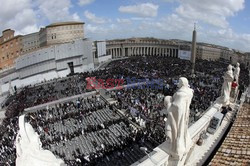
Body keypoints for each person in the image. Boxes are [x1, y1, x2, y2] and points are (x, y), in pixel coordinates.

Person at [164, 77, 193, 159]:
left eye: (179, 82)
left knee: (177, 130)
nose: (178, 83)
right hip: (184, 114)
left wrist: (169, 105)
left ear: (183, 83)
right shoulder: (189, 92)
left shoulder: (180, 94)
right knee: (182, 129)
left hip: (178, 115)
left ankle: (176, 148)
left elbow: (176, 106)